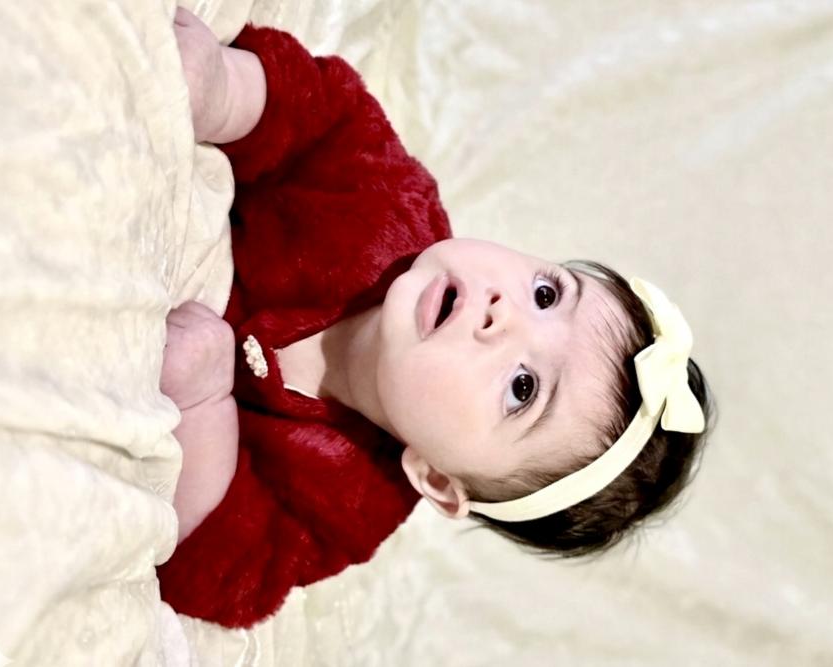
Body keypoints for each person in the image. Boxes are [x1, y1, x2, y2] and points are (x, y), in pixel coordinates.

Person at [157, 8, 715, 628]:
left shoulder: (346, 504)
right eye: (546, 294)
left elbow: (225, 569)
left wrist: (202, 406)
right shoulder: (388, 209)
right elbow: (319, 115)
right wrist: (224, 92)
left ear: (438, 481)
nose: (504, 314)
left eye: (523, 388)